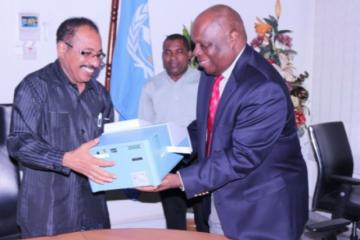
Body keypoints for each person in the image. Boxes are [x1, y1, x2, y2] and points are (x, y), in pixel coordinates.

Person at [139, 5, 309, 240]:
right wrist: (162, 148)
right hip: (223, 197)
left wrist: (178, 180)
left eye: (204, 44)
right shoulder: (212, 73)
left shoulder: (262, 87)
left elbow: (240, 157)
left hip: (263, 212)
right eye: (195, 44)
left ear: (233, 38)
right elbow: (205, 127)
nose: (196, 52)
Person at [7, 17, 116, 238]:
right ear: (62, 48)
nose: (95, 63)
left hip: (94, 214)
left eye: (98, 55)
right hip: (48, 216)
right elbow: (19, 143)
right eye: (86, 53)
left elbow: (109, 143)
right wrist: (65, 159)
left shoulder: (100, 94)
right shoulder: (34, 87)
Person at [138, 34, 210, 232]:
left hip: (199, 159)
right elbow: (145, 127)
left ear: (189, 54)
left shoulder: (204, 81)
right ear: (162, 56)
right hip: (168, 160)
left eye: (179, 52)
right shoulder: (151, 86)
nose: (173, 57)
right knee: (174, 222)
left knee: (204, 219)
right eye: (168, 53)